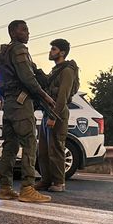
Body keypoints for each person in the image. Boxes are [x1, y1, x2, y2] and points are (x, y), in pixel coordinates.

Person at [0, 20, 55, 203]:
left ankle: (5, 188)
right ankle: (28, 188)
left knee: (10, 146)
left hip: (9, 103)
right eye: (24, 30)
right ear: (13, 32)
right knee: (29, 143)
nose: (28, 33)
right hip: (21, 103)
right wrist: (44, 96)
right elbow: (27, 78)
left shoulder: (0, 55)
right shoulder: (19, 49)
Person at [35, 39, 79, 192]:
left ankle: (59, 182)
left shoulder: (67, 71)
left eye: (53, 49)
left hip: (57, 113)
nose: (50, 52)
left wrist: (53, 117)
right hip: (48, 111)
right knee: (43, 150)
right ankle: (46, 180)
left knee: (56, 149)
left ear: (62, 53)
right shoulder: (55, 70)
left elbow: (63, 97)